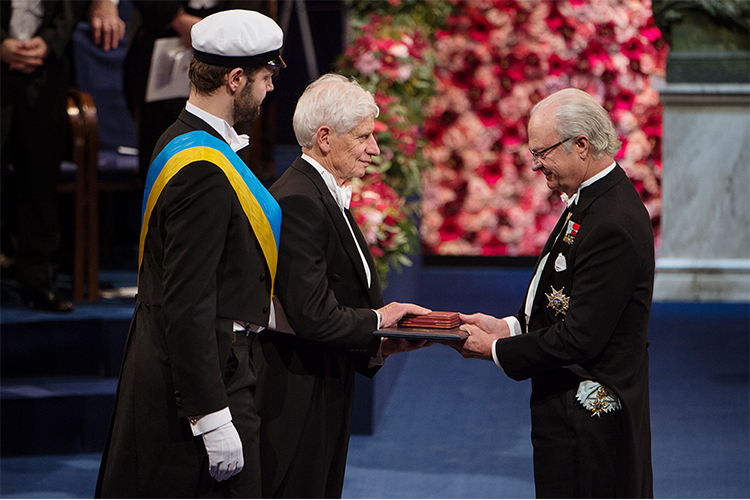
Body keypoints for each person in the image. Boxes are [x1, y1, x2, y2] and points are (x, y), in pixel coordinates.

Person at [95, 10, 285, 498]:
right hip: (203, 386)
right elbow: (187, 299)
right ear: (235, 78)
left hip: (203, 368)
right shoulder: (201, 164)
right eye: (266, 77)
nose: (270, 90)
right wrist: (212, 416)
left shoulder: (182, 138)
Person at [452, 88, 655, 498]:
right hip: (570, 415)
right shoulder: (593, 200)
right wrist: (509, 326)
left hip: (591, 425)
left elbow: (580, 336)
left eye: (542, 152)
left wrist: (494, 350)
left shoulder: (610, 220)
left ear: (581, 145)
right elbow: (563, 298)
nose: (535, 165)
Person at [253, 73, 431, 499]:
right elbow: (312, 313)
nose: (374, 149)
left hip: (325, 383)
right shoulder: (299, 199)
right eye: (364, 136)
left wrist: (380, 344)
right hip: (295, 396)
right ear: (326, 137)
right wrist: (379, 321)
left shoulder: (322, 192)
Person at [0, 0, 124, 311]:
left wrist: (50, 41)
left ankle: (38, 282)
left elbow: (71, 7)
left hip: (47, 71)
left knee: (40, 182)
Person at [123, 1, 269, 182]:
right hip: (162, 27)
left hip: (233, 32)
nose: (270, 86)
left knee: (233, 149)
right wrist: (175, 18)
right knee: (162, 150)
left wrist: (231, 29)